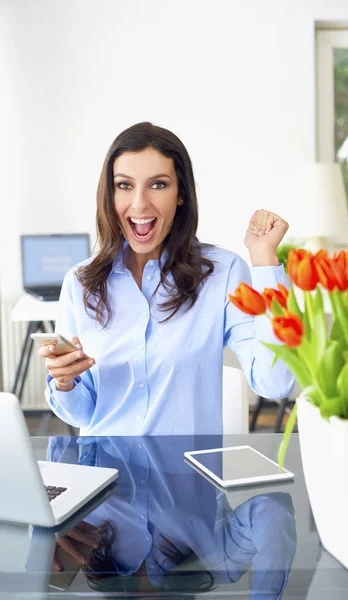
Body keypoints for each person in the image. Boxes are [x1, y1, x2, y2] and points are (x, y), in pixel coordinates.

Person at [40, 121, 295, 435]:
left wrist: (265, 259)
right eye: (124, 185)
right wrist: (64, 382)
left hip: (188, 479)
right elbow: (82, 414)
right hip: (107, 475)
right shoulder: (80, 282)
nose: (140, 203)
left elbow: (277, 382)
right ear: (110, 193)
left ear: (181, 195)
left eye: (158, 184)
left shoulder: (223, 273)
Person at [45, 435, 297, 598]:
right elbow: (272, 511)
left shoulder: (90, 551)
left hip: (112, 395)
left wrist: (52, 514)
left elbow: (63, 442)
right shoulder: (215, 565)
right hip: (182, 406)